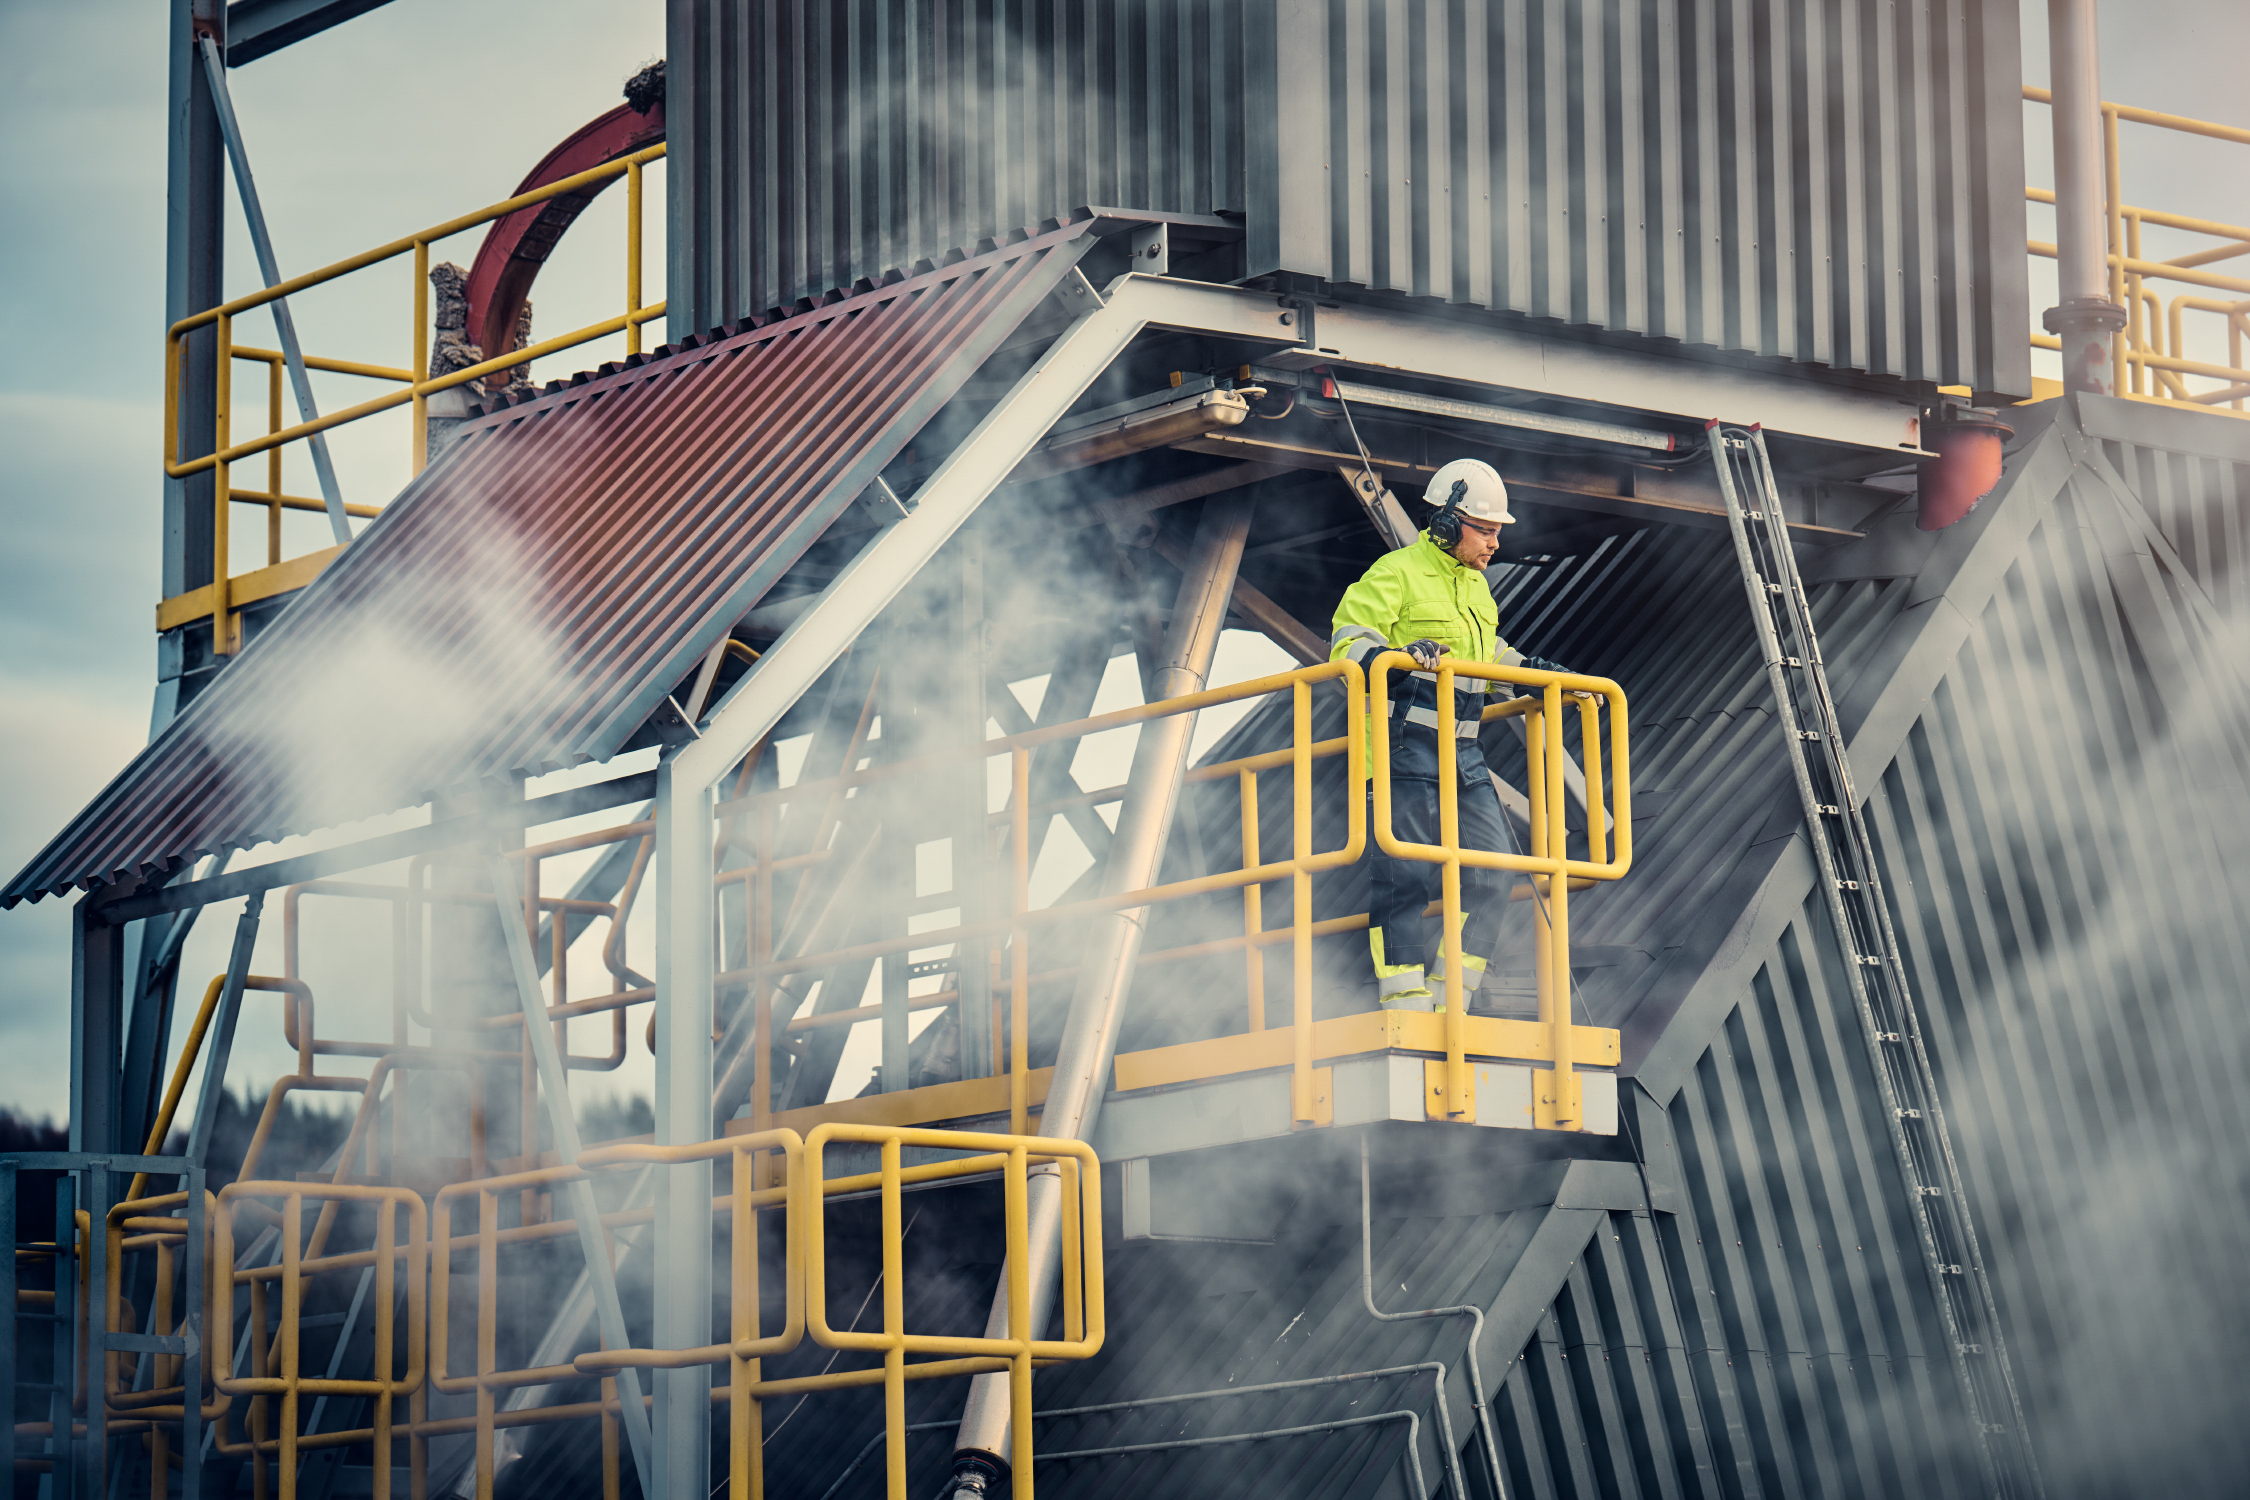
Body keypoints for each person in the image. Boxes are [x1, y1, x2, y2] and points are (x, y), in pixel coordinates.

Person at [1327, 458, 1581, 1012]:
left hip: (1462, 752)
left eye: (1496, 532)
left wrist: (1536, 671)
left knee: (1496, 871)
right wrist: (1397, 656)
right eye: (1484, 530)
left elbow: (1487, 657)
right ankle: (1403, 996)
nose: (1495, 543)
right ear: (1445, 524)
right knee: (1405, 871)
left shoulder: (1477, 590)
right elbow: (1347, 642)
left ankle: (1451, 998)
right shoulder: (1395, 572)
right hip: (1400, 748)